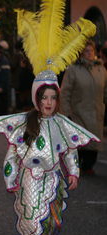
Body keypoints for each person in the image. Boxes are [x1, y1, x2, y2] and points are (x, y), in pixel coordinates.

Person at [0, 1, 98, 235]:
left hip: (55, 180)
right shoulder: (25, 122)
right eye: (44, 97)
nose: (48, 102)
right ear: (37, 98)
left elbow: (69, 149)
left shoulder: (61, 122)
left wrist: (73, 171)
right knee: (33, 226)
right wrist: (10, 178)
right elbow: (13, 154)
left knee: (54, 225)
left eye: (52, 98)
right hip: (31, 180)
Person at [60, 40, 107, 175]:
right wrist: (66, 112)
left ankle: (88, 166)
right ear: (81, 53)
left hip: (96, 111)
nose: (90, 53)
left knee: (94, 142)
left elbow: (105, 91)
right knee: (80, 142)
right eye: (86, 51)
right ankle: (76, 164)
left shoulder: (101, 69)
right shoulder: (73, 69)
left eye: (92, 51)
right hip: (78, 112)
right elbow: (65, 92)